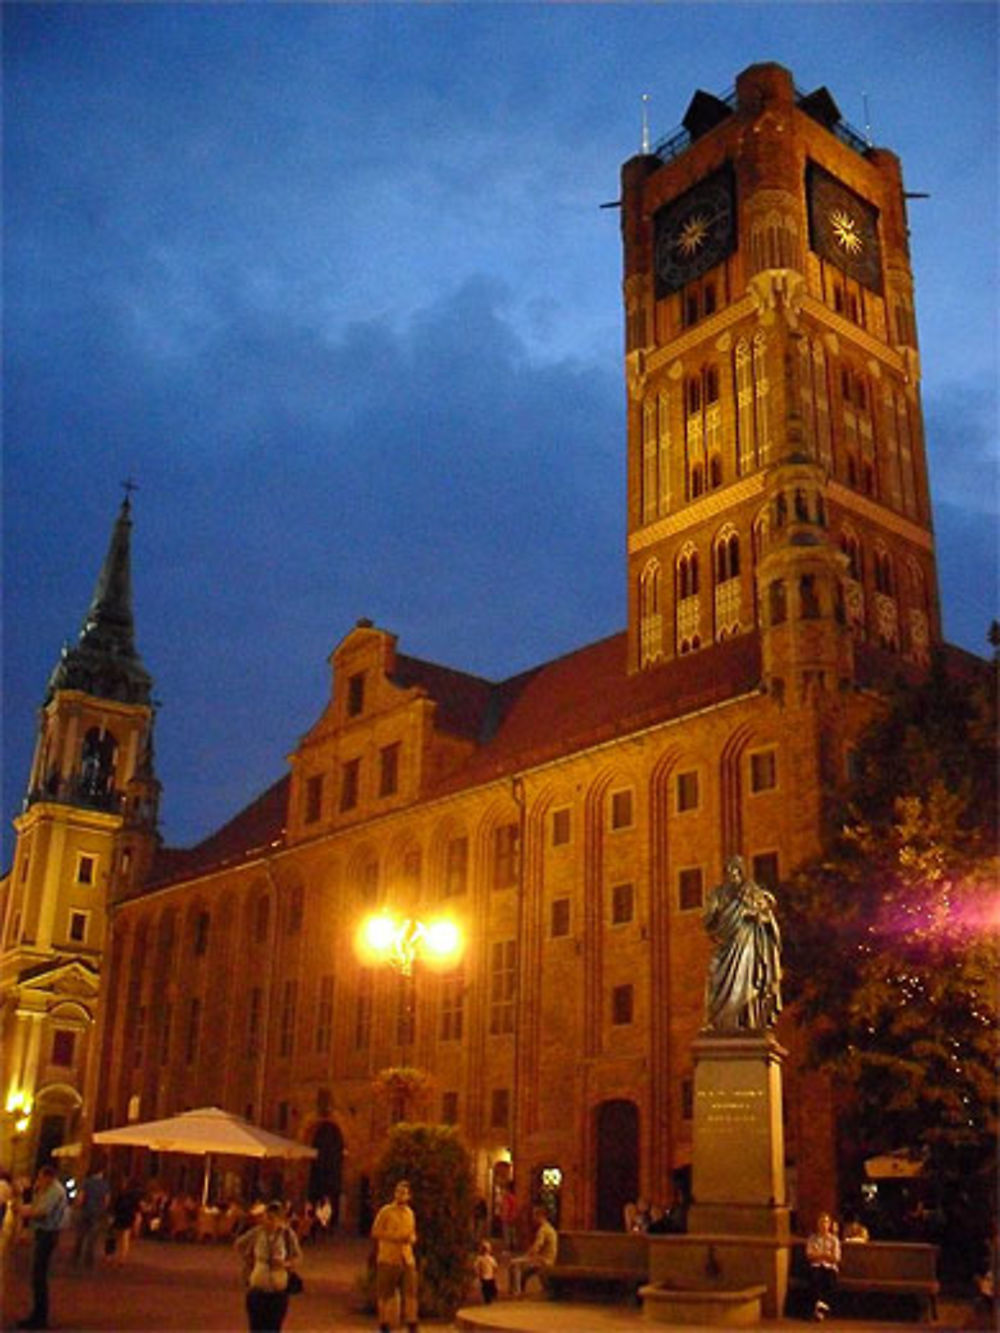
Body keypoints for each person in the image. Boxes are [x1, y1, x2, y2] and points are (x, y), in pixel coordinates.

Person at [703, 854, 782, 1031]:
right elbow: (709, 918)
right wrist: (711, 918)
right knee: (715, 976)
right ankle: (719, 1022)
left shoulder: (752, 892)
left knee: (747, 981)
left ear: (741, 871)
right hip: (726, 944)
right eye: (729, 869)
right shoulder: (718, 893)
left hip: (747, 943)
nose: (732, 872)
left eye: (735, 868)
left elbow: (767, 911)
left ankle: (746, 1020)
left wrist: (758, 913)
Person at [234, 1200, 301, 1333]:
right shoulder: (257, 1232)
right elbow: (239, 1244)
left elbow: (298, 1256)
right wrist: (250, 1260)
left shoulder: (287, 1235)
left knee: (273, 1328)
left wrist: (286, 1264)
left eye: (273, 1217)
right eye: (267, 1217)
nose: (269, 1221)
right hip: (258, 1289)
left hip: (278, 1292)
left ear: (280, 1219)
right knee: (257, 1327)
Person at [15, 1162, 68, 1330]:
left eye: (40, 1177)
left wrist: (24, 1212)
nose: (38, 1179)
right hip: (45, 1233)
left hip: (47, 1234)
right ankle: (37, 1314)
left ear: (48, 1177)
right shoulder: (50, 1189)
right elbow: (38, 1206)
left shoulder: (54, 1191)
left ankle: (40, 1317)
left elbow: (42, 1211)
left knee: (39, 1276)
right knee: (38, 1275)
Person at [370, 1178, 419, 1333]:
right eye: (398, 1191)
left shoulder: (410, 1213)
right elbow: (375, 1231)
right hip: (388, 1258)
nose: (400, 1195)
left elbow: (412, 1232)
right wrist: (394, 1237)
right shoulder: (386, 1211)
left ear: (409, 1196)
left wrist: (412, 1238)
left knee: (411, 1292)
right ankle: (384, 1323)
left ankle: (412, 1323)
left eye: (404, 1192)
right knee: (386, 1293)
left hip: (406, 1258)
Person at [508, 1205, 557, 1297]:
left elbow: (537, 1247)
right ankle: (520, 1289)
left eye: (535, 1216)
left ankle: (516, 1292)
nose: (533, 1219)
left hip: (543, 1260)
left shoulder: (543, 1230)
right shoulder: (549, 1228)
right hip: (547, 1258)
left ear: (540, 1216)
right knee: (522, 1266)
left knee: (514, 1264)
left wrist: (526, 1256)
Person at [72, 1159, 110, 1268]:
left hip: (85, 1210)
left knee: (80, 1236)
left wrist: (77, 1206)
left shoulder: (87, 1182)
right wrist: (102, 1209)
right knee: (92, 1238)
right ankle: (88, 1260)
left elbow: (81, 1197)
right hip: (97, 1212)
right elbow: (107, 1200)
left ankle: (76, 1257)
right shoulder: (105, 1185)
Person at [805, 1211, 841, 1322]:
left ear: (829, 1224)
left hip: (830, 1267)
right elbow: (810, 1255)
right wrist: (825, 1255)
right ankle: (821, 1309)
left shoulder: (834, 1240)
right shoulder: (812, 1239)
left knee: (830, 1280)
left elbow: (836, 1258)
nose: (823, 1225)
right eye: (821, 1222)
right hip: (816, 1266)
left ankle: (818, 1309)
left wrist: (821, 1255)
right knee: (815, 1279)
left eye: (826, 1222)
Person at [110, 1179, 143, 1263]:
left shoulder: (121, 1195)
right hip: (128, 1217)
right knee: (125, 1237)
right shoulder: (135, 1197)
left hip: (120, 1216)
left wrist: (113, 1215)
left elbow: (116, 1205)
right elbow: (137, 1208)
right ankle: (122, 1257)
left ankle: (111, 1254)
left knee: (115, 1235)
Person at [474, 1239, 498, 1304]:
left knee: (491, 1289)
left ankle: (490, 1298)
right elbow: (476, 1267)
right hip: (484, 1276)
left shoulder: (490, 1258)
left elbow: (495, 1266)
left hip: (490, 1276)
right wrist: (478, 1274)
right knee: (486, 1289)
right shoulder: (480, 1258)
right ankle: (487, 1300)